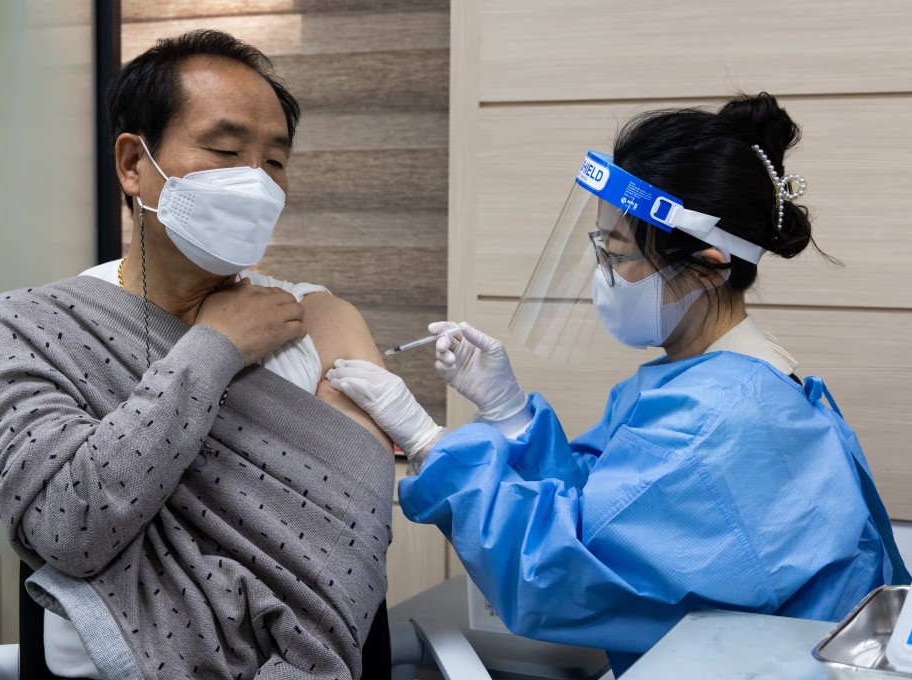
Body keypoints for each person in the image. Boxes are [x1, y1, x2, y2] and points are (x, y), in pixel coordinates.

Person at [326, 92, 911, 676]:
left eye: (619, 255)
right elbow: (608, 511)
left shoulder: (720, 418)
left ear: (707, 264)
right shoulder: (719, 378)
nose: (603, 277)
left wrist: (430, 445)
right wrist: (509, 413)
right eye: (598, 250)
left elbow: (563, 576)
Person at [0, 30, 395, 680]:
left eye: (275, 162)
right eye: (225, 151)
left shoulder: (323, 320)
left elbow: (348, 554)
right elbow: (68, 527)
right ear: (134, 163)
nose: (256, 183)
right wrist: (214, 349)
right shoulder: (30, 326)